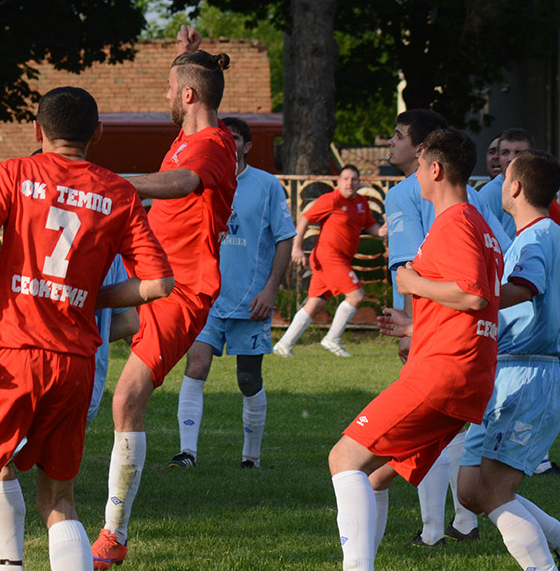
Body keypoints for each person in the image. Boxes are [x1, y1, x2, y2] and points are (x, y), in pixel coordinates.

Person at [0, 86, 174, 571]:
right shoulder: (117, 192)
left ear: (37, 131)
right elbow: (159, 282)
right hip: (73, 363)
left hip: (7, 354)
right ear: (96, 134)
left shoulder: (14, 173)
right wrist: (89, 298)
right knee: (59, 499)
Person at [90, 26, 238, 570]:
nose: (165, 98)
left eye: (170, 89)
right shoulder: (188, 134)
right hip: (148, 276)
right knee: (62, 311)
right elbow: (189, 102)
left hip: (182, 292)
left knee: (126, 400)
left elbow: (180, 183)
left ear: (189, 96)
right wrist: (184, 57)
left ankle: (113, 533)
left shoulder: (215, 145)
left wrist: (114, 181)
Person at [331, 128, 503, 571]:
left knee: (344, 457)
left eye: (421, 165)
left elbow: (473, 295)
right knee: (373, 476)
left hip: (442, 373)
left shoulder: (455, 221)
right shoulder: (481, 225)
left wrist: (410, 282)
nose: (414, 177)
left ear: (436, 169)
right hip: (467, 375)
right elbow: (471, 303)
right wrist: (415, 321)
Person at [0, 255, 138, 571]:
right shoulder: (106, 228)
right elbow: (131, 321)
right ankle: (10, 565)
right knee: (55, 498)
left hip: (21, 375)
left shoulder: (29, 215)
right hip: (80, 383)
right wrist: (83, 321)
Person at [457, 150, 560, 571]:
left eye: (504, 177)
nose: (500, 184)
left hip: (526, 375)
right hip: (510, 373)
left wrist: (459, 300)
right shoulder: (548, 231)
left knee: (494, 493)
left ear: (515, 187)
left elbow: (522, 288)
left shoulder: (537, 236)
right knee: (471, 490)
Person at [382, 109, 510, 546]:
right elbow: (497, 273)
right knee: (442, 435)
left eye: (399, 138)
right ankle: (463, 524)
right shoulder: (474, 208)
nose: (392, 146)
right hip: (473, 348)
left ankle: (433, 530)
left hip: (441, 346)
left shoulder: (428, 205)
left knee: (351, 461)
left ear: (427, 157)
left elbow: (413, 268)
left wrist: (412, 319)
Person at [168, 116, 295, 471]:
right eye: (225, 137)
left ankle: (250, 458)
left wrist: (270, 290)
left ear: (248, 146)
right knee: (197, 365)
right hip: (206, 296)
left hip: (251, 299)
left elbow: (286, 238)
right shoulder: (203, 179)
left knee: (248, 378)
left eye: (236, 138)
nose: (230, 143)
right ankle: (187, 453)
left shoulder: (267, 185)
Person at [478, 128, 560, 321]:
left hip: (524, 332)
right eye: (505, 153)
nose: (510, 159)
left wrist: (471, 301)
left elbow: (523, 289)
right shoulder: (488, 196)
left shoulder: (536, 233)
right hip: (524, 323)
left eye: (518, 154)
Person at [273, 165, 382, 358]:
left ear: (359, 182)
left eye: (354, 179)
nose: (350, 183)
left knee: (314, 303)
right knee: (356, 296)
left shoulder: (361, 203)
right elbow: (305, 219)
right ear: (338, 181)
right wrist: (296, 248)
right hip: (329, 257)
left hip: (339, 259)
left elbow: (373, 229)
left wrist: (388, 229)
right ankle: (332, 339)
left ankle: (283, 345)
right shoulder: (331, 199)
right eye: (346, 178)